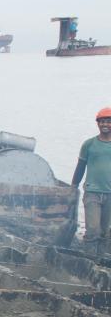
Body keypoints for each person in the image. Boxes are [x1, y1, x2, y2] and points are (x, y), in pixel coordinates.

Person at [72, 107, 111, 250]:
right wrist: (73, 186)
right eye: (102, 122)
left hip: (110, 194)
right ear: (98, 124)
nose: (105, 125)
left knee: (105, 232)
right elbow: (80, 166)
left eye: (108, 121)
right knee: (93, 230)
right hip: (92, 192)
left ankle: (100, 263)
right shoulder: (89, 144)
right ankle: (88, 259)